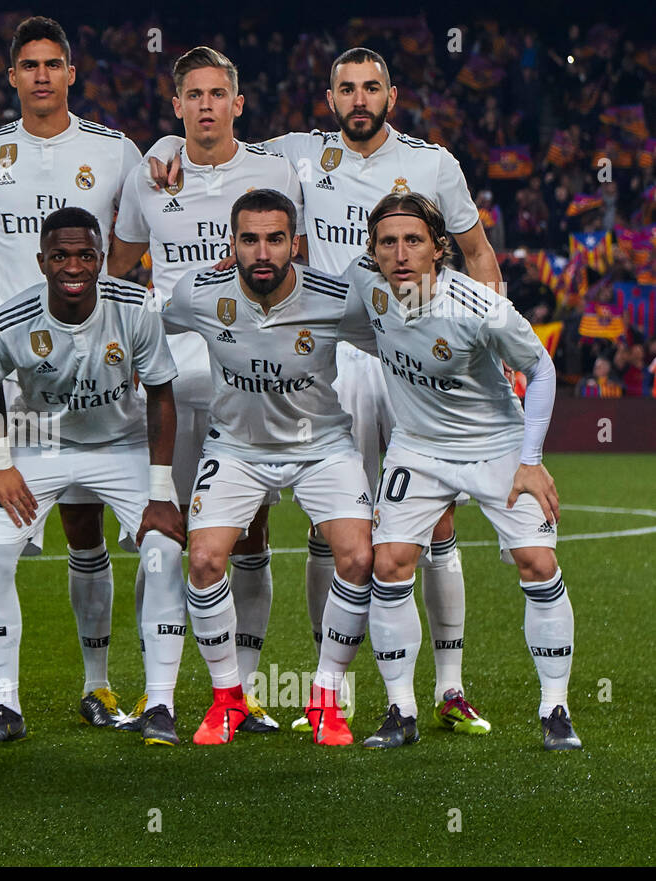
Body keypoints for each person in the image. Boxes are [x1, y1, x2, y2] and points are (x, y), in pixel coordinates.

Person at [152, 46, 498, 733]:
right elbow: (213, 135)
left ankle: (449, 688)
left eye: (372, 87)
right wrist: (160, 147)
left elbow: (480, 255)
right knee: (336, 533)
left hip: (409, 354)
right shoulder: (296, 157)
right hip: (329, 355)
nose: (359, 98)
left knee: (435, 521)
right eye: (346, 88)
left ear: (391, 97)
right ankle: (327, 686)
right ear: (330, 97)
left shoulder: (433, 164)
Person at [0, 206, 187, 745]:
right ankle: (4, 704)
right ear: (41, 261)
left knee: (165, 552)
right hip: (40, 443)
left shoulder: (134, 307)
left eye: (86, 254)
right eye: (60, 255)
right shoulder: (11, 320)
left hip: (121, 445)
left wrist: (159, 491)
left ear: (101, 259)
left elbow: (160, 396)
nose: (74, 266)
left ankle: (160, 704)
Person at [106, 45, 304, 732]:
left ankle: (240, 696)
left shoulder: (273, 169)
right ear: (178, 105)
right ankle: (156, 695)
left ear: (238, 103)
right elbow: (120, 263)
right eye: (194, 95)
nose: (207, 106)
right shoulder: (150, 173)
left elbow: (293, 253)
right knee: (162, 525)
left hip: (248, 376)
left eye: (218, 94)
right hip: (166, 377)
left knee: (249, 533)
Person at [0, 16, 144, 730]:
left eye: (52, 64)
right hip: (9, 375)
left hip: (90, 365)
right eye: (27, 65)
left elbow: (130, 237)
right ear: (12, 77)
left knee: (84, 521)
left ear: (71, 73)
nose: (40, 75)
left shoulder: (112, 149)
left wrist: (95, 307)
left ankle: (98, 686)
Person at [345, 192, 579, 751]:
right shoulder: (367, 285)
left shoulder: (480, 307)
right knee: (391, 562)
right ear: (373, 251)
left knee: (537, 561)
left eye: (413, 241)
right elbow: (323, 306)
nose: (399, 254)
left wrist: (531, 461)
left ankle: (555, 708)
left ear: (438, 248)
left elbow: (541, 369)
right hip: (418, 447)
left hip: (494, 444)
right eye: (387, 243)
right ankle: (400, 710)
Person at [163, 189, 376, 745]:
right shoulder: (198, 294)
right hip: (235, 448)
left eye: (275, 239)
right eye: (250, 239)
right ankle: (228, 700)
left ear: (295, 244)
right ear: (230, 245)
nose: (263, 252)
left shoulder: (337, 299)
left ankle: (326, 699)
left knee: (357, 558)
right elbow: (146, 328)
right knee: (205, 559)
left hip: (321, 447)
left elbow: (397, 342)